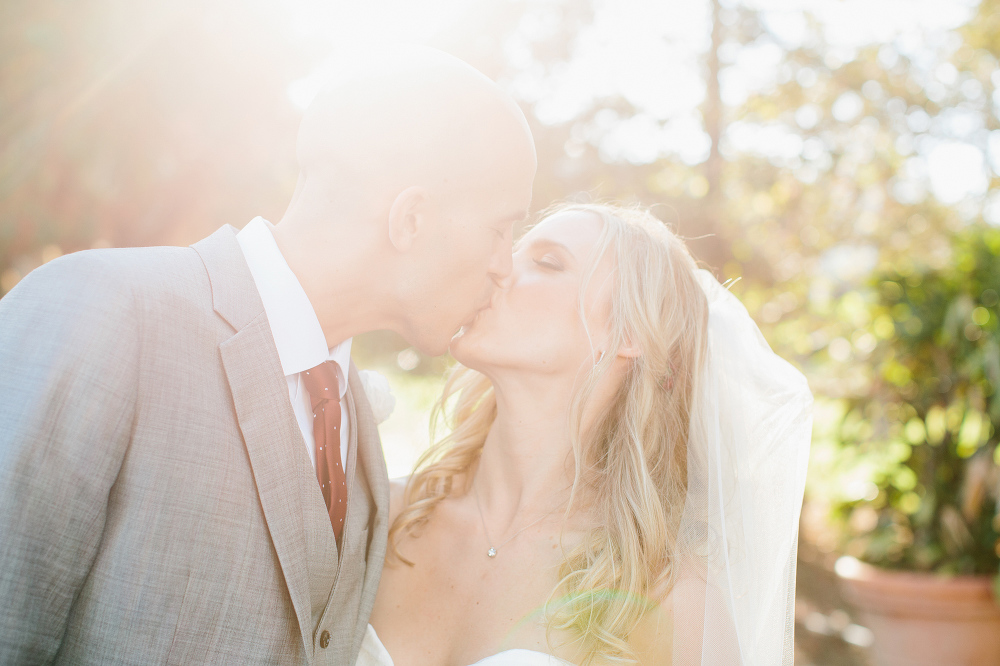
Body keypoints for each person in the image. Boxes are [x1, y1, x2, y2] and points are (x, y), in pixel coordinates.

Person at [0, 48, 536, 664]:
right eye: (501, 230)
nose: (505, 267)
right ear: (411, 219)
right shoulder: (101, 309)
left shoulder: (356, 420)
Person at [361, 203, 813, 665]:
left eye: (547, 261)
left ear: (629, 332)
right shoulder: (381, 517)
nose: (496, 268)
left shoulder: (671, 595)